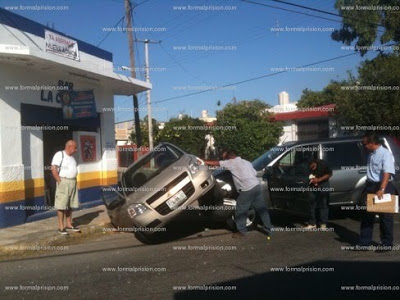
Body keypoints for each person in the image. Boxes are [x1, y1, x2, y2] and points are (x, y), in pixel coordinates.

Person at [205, 150, 273, 239]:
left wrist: (203, 161)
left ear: (229, 158)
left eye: (224, 158)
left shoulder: (231, 162)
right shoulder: (247, 162)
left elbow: (216, 163)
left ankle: (241, 232)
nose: (224, 160)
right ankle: (269, 229)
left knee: (240, 210)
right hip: (256, 187)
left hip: (247, 189)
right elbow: (254, 173)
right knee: (262, 209)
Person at [358, 133, 396, 251]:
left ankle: (387, 244)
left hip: (382, 187)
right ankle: (364, 243)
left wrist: (382, 189)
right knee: (367, 216)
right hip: (371, 186)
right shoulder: (371, 154)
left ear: (372, 143)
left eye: (365, 144)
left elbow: (387, 172)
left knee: (385, 217)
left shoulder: (385, 154)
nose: (364, 146)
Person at [51, 140, 80, 235]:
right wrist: (59, 181)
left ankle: (68, 224)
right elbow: (53, 168)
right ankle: (61, 227)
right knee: (61, 205)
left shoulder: (72, 158)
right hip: (63, 181)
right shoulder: (60, 155)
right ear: (69, 146)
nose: (76, 150)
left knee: (70, 204)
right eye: (75, 148)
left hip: (72, 182)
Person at [304, 158, 332, 230]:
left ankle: (323, 223)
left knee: (323, 203)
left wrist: (318, 180)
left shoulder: (323, 164)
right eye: (310, 167)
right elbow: (308, 174)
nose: (312, 168)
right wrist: (312, 180)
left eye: (313, 166)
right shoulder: (308, 167)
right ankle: (312, 223)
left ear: (315, 163)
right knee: (311, 202)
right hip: (312, 184)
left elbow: (329, 174)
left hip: (323, 183)